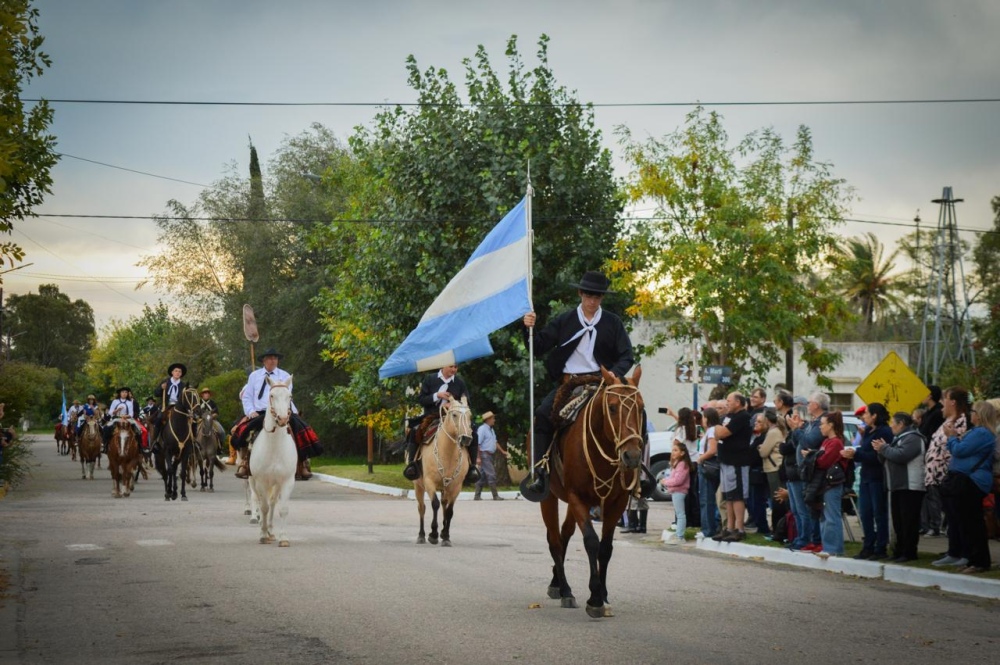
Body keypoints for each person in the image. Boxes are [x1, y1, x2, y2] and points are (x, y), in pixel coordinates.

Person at [521, 270, 635, 499]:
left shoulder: (612, 322)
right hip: (570, 384)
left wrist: (614, 374)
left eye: (597, 297)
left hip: (602, 382)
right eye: (589, 296)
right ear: (580, 294)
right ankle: (541, 470)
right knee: (543, 414)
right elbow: (539, 346)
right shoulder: (565, 320)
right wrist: (528, 327)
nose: (592, 301)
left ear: (602, 298)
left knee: (632, 411)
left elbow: (627, 356)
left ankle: (639, 473)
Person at [233, 348, 320, 480]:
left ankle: (303, 463)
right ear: (264, 360)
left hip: (283, 411)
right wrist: (251, 411)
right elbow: (247, 397)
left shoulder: (285, 376)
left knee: (300, 429)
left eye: (275, 358)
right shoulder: (254, 376)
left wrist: (286, 412)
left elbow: (286, 395)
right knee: (246, 430)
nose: (273, 361)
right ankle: (245, 462)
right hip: (261, 412)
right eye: (270, 358)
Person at [937, 400, 997, 574]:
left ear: (980, 415)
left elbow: (960, 450)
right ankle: (972, 559)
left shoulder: (982, 433)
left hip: (972, 481)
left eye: (973, 411)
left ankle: (979, 561)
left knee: (972, 523)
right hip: (966, 480)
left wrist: (951, 437)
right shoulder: (977, 432)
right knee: (964, 522)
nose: (970, 414)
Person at [401, 363, 478, 484]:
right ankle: (412, 464)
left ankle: (472, 467)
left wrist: (453, 405)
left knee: (473, 430)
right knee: (415, 430)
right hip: (433, 416)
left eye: (456, 367)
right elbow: (422, 400)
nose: (454, 369)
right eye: (451, 366)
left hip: (454, 417)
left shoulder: (459, 382)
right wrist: (437, 395)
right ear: (443, 366)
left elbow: (466, 401)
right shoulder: (430, 379)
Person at [873, 412, 926, 563]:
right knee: (898, 522)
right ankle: (899, 550)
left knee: (908, 521)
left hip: (911, 486)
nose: (890, 426)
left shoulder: (913, 438)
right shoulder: (899, 438)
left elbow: (901, 455)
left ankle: (909, 552)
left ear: (901, 423)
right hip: (897, 485)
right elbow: (888, 457)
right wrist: (881, 450)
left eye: (893, 423)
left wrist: (884, 448)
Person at [926, 386, 971, 560]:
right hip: (939, 478)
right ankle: (953, 550)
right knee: (951, 516)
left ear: (953, 402)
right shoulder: (946, 420)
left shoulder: (962, 421)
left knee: (956, 516)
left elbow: (957, 447)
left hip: (951, 477)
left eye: (945, 399)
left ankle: (959, 552)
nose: (942, 403)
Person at [843, 402, 891, 561]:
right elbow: (864, 450)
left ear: (875, 415)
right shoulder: (869, 431)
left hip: (877, 477)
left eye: (867, 414)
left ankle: (880, 547)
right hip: (866, 477)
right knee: (865, 513)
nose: (864, 417)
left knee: (879, 513)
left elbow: (877, 457)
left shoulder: (884, 432)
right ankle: (868, 545)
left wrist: (855, 456)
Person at [713, 391, 754, 542]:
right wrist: (718, 431)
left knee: (737, 496)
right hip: (725, 460)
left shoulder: (742, 417)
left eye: (729, 400)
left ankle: (739, 529)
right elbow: (718, 433)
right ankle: (729, 528)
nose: (727, 403)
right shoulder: (729, 416)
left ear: (738, 402)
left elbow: (722, 433)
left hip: (737, 461)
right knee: (728, 496)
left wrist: (718, 430)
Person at [813, 411, 848, 558]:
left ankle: (834, 548)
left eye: (822, 424)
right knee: (824, 515)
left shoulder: (836, 442)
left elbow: (824, 461)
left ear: (831, 425)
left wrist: (812, 457)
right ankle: (827, 545)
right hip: (824, 483)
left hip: (832, 483)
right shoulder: (826, 441)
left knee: (832, 515)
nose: (820, 427)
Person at [151, 363, 188, 451]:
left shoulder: (183, 385)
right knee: (159, 418)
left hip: (179, 408)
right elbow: (156, 393)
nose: (178, 373)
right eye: (176, 371)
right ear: (172, 372)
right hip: (166, 406)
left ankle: (192, 442)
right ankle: (155, 441)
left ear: (181, 374)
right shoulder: (165, 382)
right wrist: (161, 388)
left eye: (179, 371)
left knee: (190, 420)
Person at [473, 411, 509, 500]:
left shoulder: (491, 429)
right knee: (491, 474)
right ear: (488, 419)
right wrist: (478, 457)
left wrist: (502, 451)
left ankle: (477, 496)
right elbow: (478, 443)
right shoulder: (482, 429)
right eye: (493, 418)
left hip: (489, 455)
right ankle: (495, 495)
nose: (494, 420)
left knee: (481, 476)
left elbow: (495, 442)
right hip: (484, 455)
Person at [698, 407, 722, 538]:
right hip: (709, 464)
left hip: (708, 464)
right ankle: (710, 526)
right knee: (708, 498)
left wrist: (701, 458)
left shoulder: (712, 430)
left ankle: (708, 529)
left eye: (703, 417)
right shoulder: (710, 431)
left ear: (707, 418)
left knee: (706, 499)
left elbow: (712, 449)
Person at [662, 440, 692, 542]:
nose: (673, 452)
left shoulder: (682, 464)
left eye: (676, 450)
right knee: (679, 514)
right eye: (672, 450)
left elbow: (678, 480)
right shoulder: (678, 464)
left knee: (680, 514)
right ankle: (679, 534)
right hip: (675, 491)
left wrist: (665, 482)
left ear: (682, 453)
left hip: (679, 491)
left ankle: (680, 536)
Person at [103, 386, 143, 452]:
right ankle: (106, 445)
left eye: (126, 392)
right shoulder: (115, 401)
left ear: (127, 394)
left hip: (127, 419)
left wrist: (125, 416)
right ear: (120, 393)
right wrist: (116, 410)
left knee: (138, 429)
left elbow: (131, 414)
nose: (124, 393)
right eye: (123, 392)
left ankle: (139, 447)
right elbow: (110, 412)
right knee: (106, 428)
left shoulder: (129, 402)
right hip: (116, 418)